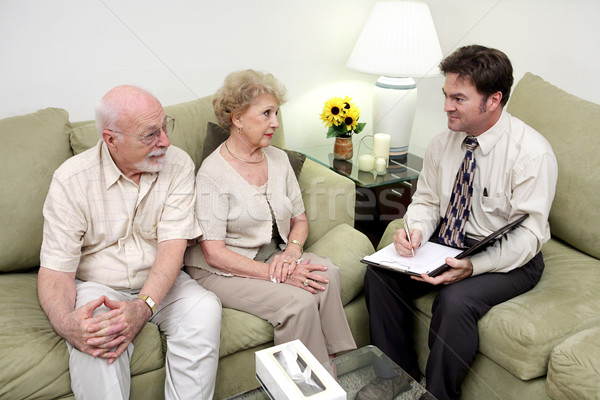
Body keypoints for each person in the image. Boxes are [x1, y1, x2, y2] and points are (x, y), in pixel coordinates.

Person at [363, 45, 558, 400]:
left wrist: (472, 266)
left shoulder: (532, 154)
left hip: (509, 255)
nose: (446, 107)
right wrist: (416, 231)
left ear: (493, 100)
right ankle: (397, 375)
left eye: (459, 98)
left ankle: (437, 394)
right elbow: (426, 201)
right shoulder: (443, 143)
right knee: (380, 274)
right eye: (446, 95)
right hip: (446, 241)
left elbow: (529, 235)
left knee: (454, 301)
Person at [38, 85, 222, 400]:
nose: (165, 140)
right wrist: (65, 323)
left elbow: (172, 248)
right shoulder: (71, 180)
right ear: (112, 139)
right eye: (150, 134)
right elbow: (56, 270)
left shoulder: (177, 164)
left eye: (165, 126)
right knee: (97, 335)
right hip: (100, 286)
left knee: (204, 309)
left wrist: (143, 306)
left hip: (163, 282)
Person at [184, 69, 356, 363]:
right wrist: (279, 273)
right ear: (237, 118)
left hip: (272, 256)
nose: (275, 123)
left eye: (276, 113)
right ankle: (303, 388)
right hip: (220, 271)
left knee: (327, 274)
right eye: (266, 114)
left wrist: (291, 252)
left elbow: (299, 221)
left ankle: (338, 365)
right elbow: (213, 253)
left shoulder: (277, 159)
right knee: (298, 302)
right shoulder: (213, 174)